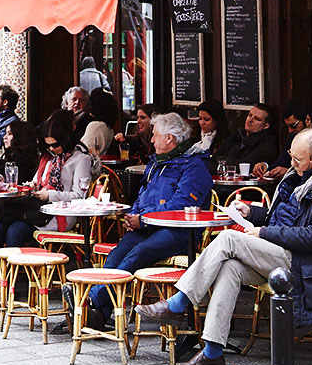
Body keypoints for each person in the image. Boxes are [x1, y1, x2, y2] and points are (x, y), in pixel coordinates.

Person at [137, 128, 312, 365]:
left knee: (230, 238)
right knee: (230, 268)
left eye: (298, 160)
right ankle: (212, 352)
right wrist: (252, 212)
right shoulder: (300, 176)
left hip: (307, 264)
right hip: (283, 254)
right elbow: (281, 219)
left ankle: (179, 302)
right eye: (291, 157)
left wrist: (263, 233)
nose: (291, 164)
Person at [70, 112, 213, 329]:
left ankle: (91, 301)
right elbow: (142, 196)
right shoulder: (158, 163)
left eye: (155, 135)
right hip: (150, 226)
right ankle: (100, 313)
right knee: (118, 252)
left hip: (181, 232)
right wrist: (133, 216)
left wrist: (143, 220)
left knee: (138, 253)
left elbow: (179, 207)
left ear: (170, 139)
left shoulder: (194, 166)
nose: (152, 140)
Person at [0, 111, 91, 291]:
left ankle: (5, 281)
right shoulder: (48, 157)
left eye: (55, 145)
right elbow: (36, 181)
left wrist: (49, 195)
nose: (52, 149)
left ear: (66, 140)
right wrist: (31, 187)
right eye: (48, 146)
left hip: (59, 213)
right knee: (0, 224)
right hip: (38, 210)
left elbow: (79, 196)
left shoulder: (81, 159)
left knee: (13, 228)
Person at [252, 100, 312, 181]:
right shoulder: (293, 137)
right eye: (287, 126)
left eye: (293, 126)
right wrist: (265, 166)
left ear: (308, 120)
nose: (290, 130)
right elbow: (281, 162)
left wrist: (288, 172)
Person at [217, 101, 278, 169]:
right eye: (250, 115)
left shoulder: (267, 144)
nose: (250, 120)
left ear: (266, 126)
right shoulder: (238, 135)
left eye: (257, 119)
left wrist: (222, 160)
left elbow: (244, 166)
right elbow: (215, 158)